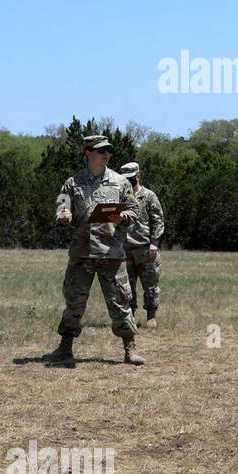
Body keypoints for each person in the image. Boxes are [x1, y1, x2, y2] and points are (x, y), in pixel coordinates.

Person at [45, 134, 145, 367]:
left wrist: (122, 216)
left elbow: (135, 210)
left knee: (120, 301)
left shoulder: (121, 182)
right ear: (88, 153)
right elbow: (61, 206)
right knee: (74, 302)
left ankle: (130, 349)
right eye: (101, 151)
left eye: (108, 151)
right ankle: (64, 348)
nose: (106, 155)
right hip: (82, 253)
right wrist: (64, 215)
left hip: (112, 252)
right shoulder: (72, 183)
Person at [118, 161, 165, 329]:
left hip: (146, 249)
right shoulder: (120, 197)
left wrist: (154, 243)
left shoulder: (149, 196)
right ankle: (130, 317)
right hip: (125, 249)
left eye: (130, 178)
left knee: (150, 285)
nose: (127, 181)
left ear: (137, 176)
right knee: (126, 288)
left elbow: (158, 221)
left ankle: (151, 316)